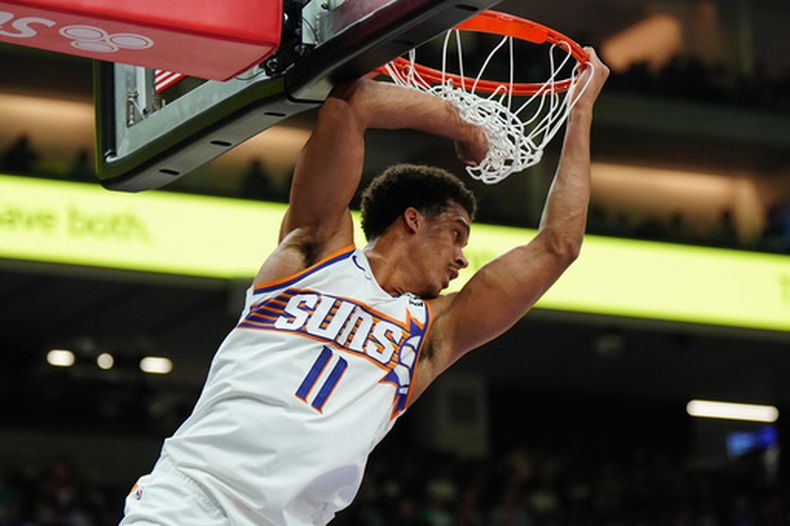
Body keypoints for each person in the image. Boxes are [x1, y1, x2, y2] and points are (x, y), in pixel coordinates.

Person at [121, 49, 609, 525]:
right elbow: (355, 104)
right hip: (191, 499)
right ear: (412, 220)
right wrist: (463, 126)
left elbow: (557, 247)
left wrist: (581, 111)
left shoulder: (431, 331)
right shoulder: (312, 253)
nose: (463, 257)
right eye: (456, 234)